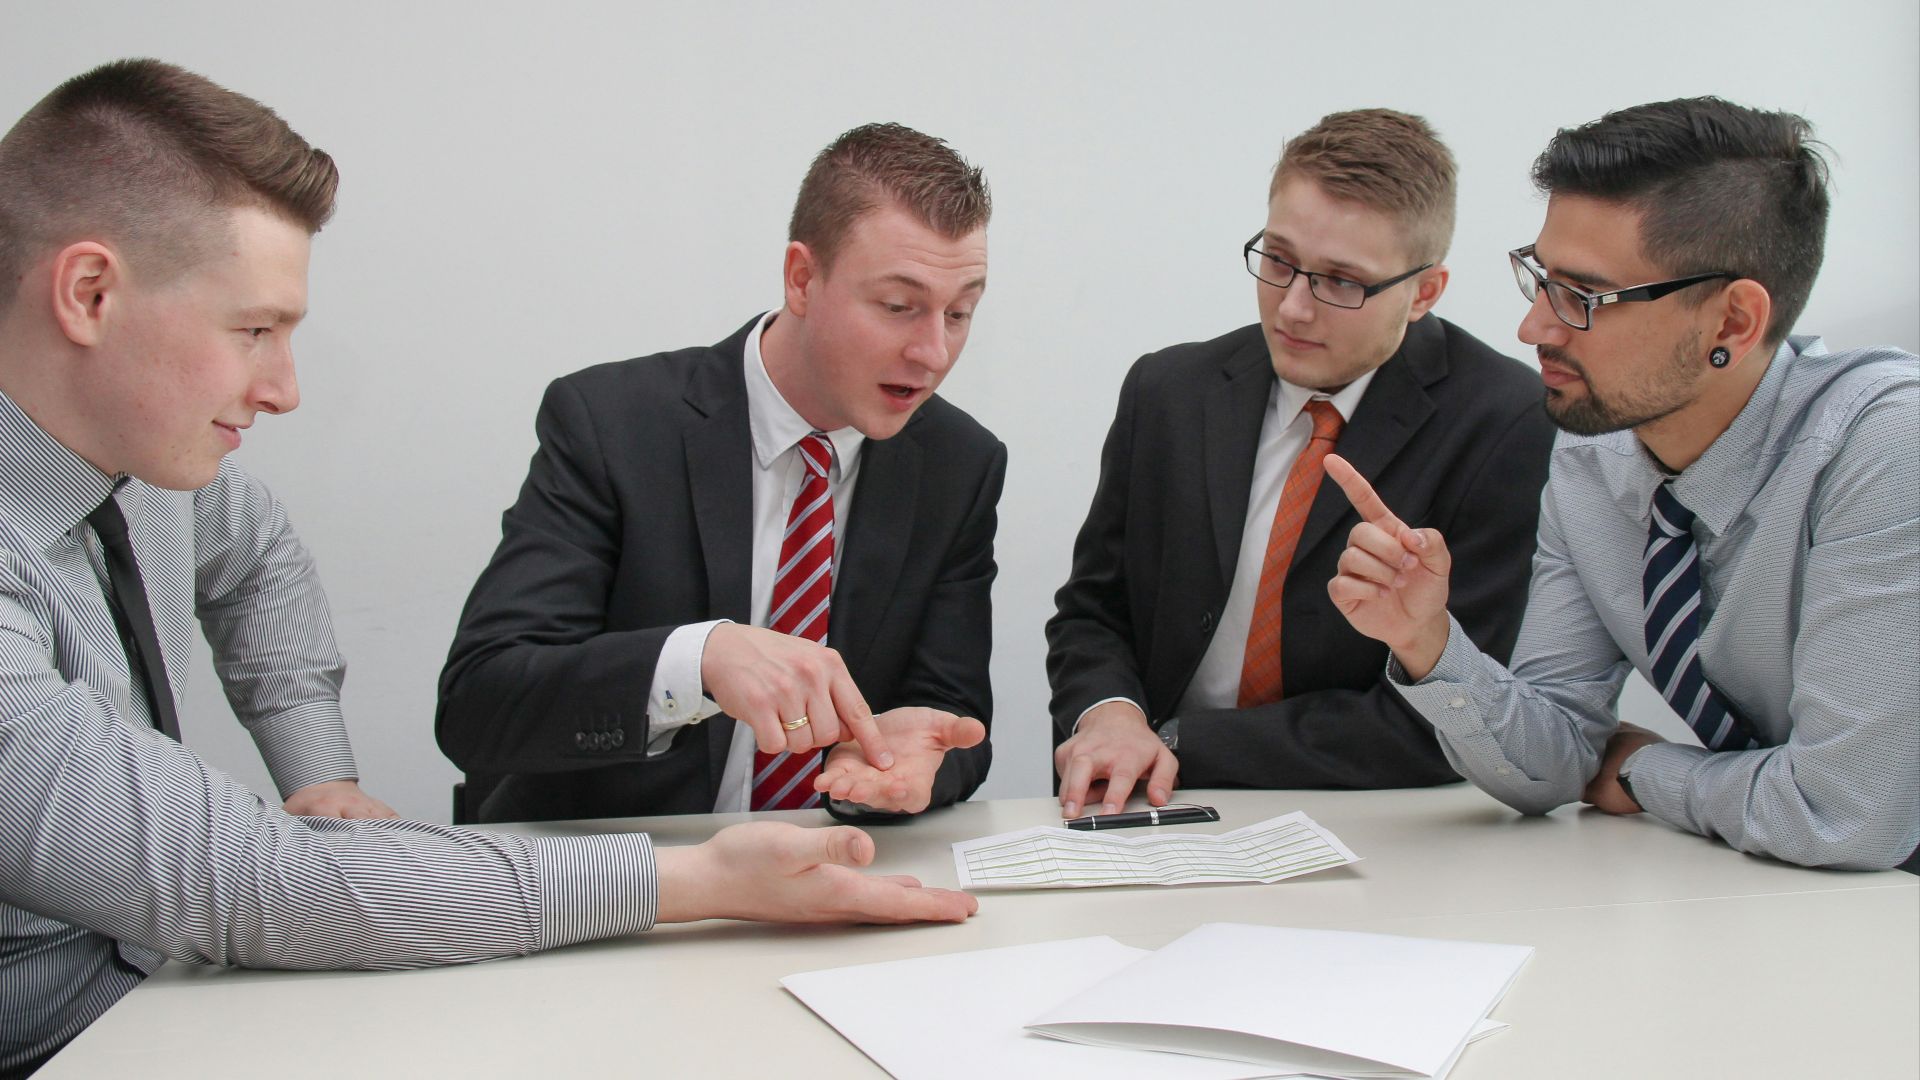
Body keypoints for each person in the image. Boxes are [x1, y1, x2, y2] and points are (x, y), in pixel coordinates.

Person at [0, 59, 975, 1078]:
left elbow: (260, 564)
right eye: (254, 330)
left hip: (169, 993)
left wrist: (319, 774)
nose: (285, 389)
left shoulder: (153, 467)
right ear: (90, 293)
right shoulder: (611, 421)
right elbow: (250, 882)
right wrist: (694, 878)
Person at [1326, 96, 1919, 871]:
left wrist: (1644, 771)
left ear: (1733, 324)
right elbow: (1555, 762)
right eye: (1539, 279)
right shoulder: (1593, 457)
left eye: (1582, 298)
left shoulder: (1882, 448)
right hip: (1798, 900)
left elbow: (1843, 816)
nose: (1534, 328)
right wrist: (1429, 642)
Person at [437, 123, 1003, 823]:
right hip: (621, 883)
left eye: (961, 312)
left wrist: (919, 764)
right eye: (898, 307)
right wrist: (696, 660)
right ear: (802, 278)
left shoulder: (959, 464)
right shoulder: (613, 424)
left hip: (830, 877)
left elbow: (953, 716)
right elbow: (480, 702)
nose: (933, 351)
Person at [1046, 109, 1553, 818]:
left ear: (1425, 292)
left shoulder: (1506, 422)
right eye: (1279, 260)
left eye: (1341, 282)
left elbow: (1453, 714)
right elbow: (1093, 613)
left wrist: (1180, 741)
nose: (1292, 308)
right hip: (1148, 810)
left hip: (1381, 825)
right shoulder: (1169, 390)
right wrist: (1109, 717)